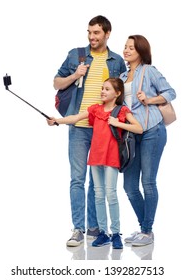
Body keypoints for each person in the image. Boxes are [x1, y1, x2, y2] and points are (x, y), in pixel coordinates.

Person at [53, 15, 126, 247]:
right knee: (77, 179)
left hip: (102, 130)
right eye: (89, 32)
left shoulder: (116, 62)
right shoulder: (77, 55)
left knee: (96, 183)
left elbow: (121, 95)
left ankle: (95, 227)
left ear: (107, 33)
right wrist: (75, 75)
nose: (92, 37)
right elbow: (56, 82)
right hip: (78, 126)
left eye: (96, 33)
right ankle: (78, 229)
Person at [47, 78, 143, 249]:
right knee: (99, 195)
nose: (103, 91)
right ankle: (103, 233)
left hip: (111, 158)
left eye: (107, 89)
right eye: (102, 88)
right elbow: (75, 117)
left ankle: (115, 234)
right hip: (95, 158)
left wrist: (118, 123)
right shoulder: (95, 109)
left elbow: (139, 128)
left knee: (111, 195)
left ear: (117, 93)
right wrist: (56, 120)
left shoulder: (121, 110)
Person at [120, 35, 176, 246]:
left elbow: (171, 92)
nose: (126, 50)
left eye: (131, 48)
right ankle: (145, 228)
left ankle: (147, 231)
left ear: (141, 51)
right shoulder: (123, 75)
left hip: (152, 129)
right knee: (130, 186)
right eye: (125, 47)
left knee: (148, 182)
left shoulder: (149, 71)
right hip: (132, 134)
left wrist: (149, 99)